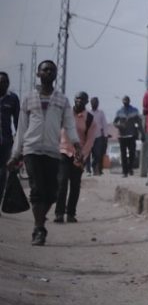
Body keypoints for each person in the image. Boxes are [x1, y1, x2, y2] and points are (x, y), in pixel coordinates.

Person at [7, 60, 80, 246]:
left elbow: (70, 125)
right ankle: (39, 228)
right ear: (38, 74)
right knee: (37, 189)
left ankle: (40, 219)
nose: (48, 72)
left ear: (56, 75)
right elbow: (22, 128)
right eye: (44, 69)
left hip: (52, 151)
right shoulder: (28, 98)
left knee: (53, 193)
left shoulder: (62, 100)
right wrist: (16, 153)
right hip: (31, 149)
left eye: (52, 70)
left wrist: (77, 145)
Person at [55, 92, 98, 223]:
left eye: (82, 99)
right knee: (62, 183)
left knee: (75, 185)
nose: (79, 101)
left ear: (86, 102)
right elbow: (56, 130)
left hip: (78, 155)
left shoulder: (90, 119)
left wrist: (82, 156)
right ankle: (59, 213)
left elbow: (90, 141)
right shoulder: (64, 114)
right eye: (77, 98)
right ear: (74, 100)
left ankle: (71, 213)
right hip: (63, 151)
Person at [0, 72, 20, 206]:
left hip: (5, 142)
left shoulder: (12, 99)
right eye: (1, 82)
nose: (3, 84)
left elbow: (18, 122)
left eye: (6, 82)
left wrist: (20, 143)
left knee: (2, 174)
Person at [113, 95, 142, 177]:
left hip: (132, 135)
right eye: (124, 100)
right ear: (122, 101)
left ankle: (130, 168)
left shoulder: (134, 111)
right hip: (122, 136)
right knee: (123, 154)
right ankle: (124, 171)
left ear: (129, 101)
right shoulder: (119, 112)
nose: (125, 102)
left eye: (127, 100)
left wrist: (142, 133)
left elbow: (139, 123)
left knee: (132, 153)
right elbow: (114, 122)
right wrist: (119, 125)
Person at [87, 97, 108, 176]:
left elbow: (104, 125)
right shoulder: (87, 112)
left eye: (97, 102)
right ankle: (88, 170)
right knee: (87, 154)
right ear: (91, 103)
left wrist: (105, 135)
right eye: (94, 102)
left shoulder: (101, 113)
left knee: (97, 154)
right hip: (88, 137)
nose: (95, 104)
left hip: (98, 136)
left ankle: (94, 168)